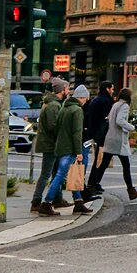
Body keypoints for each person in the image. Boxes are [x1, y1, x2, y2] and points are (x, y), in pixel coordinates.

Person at [37, 85, 91, 216]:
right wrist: (79, 152)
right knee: (60, 175)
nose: (86, 102)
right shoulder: (77, 111)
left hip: (60, 146)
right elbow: (77, 133)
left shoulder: (64, 108)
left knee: (71, 174)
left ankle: (78, 202)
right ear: (82, 97)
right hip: (70, 148)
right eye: (86, 99)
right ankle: (47, 203)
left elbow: (57, 128)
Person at [92, 87, 137, 200]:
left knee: (103, 165)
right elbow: (120, 121)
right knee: (126, 166)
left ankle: (92, 185)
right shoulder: (124, 106)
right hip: (119, 140)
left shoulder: (115, 105)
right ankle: (131, 191)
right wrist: (132, 127)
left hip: (110, 138)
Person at [29, 78, 68, 214]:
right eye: (67, 88)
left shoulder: (54, 103)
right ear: (61, 90)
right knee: (46, 174)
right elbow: (53, 126)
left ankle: (57, 198)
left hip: (53, 144)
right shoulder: (53, 105)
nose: (68, 91)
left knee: (56, 173)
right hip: (51, 144)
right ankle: (36, 201)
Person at [83, 82, 114, 195]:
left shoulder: (95, 100)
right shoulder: (106, 101)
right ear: (107, 89)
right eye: (112, 88)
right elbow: (105, 121)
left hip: (92, 133)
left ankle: (94, 183)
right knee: (100, 161)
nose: (113, 91)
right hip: (101, 135)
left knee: (98, 160)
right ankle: (93, 183)